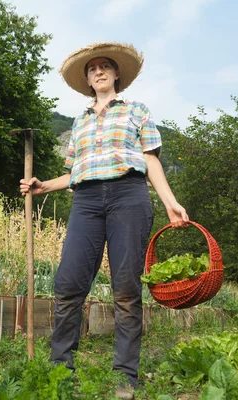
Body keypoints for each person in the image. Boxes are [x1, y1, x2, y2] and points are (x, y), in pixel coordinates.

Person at [20, 42, 189, 399]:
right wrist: (43, 185)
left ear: (116, 75)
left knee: (127, 288)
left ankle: (125, 376)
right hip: (86, 200)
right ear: (87, 79)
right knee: (68, 283)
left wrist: (171, 202)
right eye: (92, 68)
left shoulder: (136, 111)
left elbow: (151, 161)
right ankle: (60, 369)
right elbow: (74, 172)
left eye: (104, 66)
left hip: (129, 196)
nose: (98, 71)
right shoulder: (79, 122)